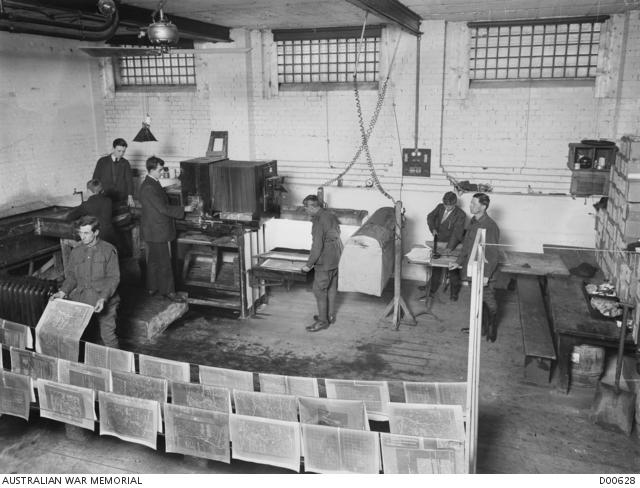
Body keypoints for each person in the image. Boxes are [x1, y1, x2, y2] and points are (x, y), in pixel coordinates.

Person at [50, 215, 120, 348]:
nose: (82, 237)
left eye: (86, 233)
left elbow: (113, 278)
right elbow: (72, 277)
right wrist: (62, 292)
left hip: (104, 300)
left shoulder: (109, 250)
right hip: (82, 299)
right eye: (80, 233)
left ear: (96, 232)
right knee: (79, 336)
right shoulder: (76, 252)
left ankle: (119, 367)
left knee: (108, 336)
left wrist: (103, 298)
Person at [448, 192, 500, 341]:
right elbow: (466, 246)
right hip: (473, 269)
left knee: (488, 299)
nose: (470, 206)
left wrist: (486, 276)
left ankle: (491, 330)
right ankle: (478, 328)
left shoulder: (490, 226)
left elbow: (493, 254)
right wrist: (458, 262)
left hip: (485, 272)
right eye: (471, 203)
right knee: (476, 300)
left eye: (474, 204)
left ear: (483, 207)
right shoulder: (473, 221)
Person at [138, 156, 190, 301]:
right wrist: (184, 209)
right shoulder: (149, 186)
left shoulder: (152, 183)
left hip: (153, 229)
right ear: (152, 169)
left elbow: (159, 200)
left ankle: (152, 287)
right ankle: (169, 292)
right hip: (157, 230)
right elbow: (162, 208)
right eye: (160, 170)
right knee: (164, 262)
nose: (162, 172)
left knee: (154, 260)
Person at [300, 195, 343, 332]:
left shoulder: (318, 220)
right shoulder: (330, 215)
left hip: (324, 261)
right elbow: (337, 234)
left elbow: (317, 245)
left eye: (306, 208)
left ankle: (322, 321)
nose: (305, 211)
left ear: (312, 206)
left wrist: (309, 264)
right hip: (336, 258)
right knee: (331, 287)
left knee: (319, 290)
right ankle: (329, 316)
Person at [426, 191, 466, 300]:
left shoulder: (461, 214)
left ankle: (454, 293)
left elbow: (457, 232)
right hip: (438, 241)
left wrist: (449, 247)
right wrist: (433, 228)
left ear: (455, 204)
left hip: (453, 243)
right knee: (436, 266)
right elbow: (430, 217)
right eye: (446, 205)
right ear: (443, 203)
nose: (447, 208)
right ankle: (432, 289)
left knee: (453, 269)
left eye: (450, 206)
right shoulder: (439, 207)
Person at [66, 179, 116, 247]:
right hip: (110, 235)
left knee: (69, 242)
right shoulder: (108, 200)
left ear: (89, 191)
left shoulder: (87, 205)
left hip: (96, 237)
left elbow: (69, 217)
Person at [93, 138, 135, 208]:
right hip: (105, 196)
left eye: (123, 151)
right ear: (113, 148)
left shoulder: (125, 163)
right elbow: (95, 179)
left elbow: (129, 181)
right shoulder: (102, 161)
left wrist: (130, 196)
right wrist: (95, 195)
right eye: (119, 151)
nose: (121, 154)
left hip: (121, 197)